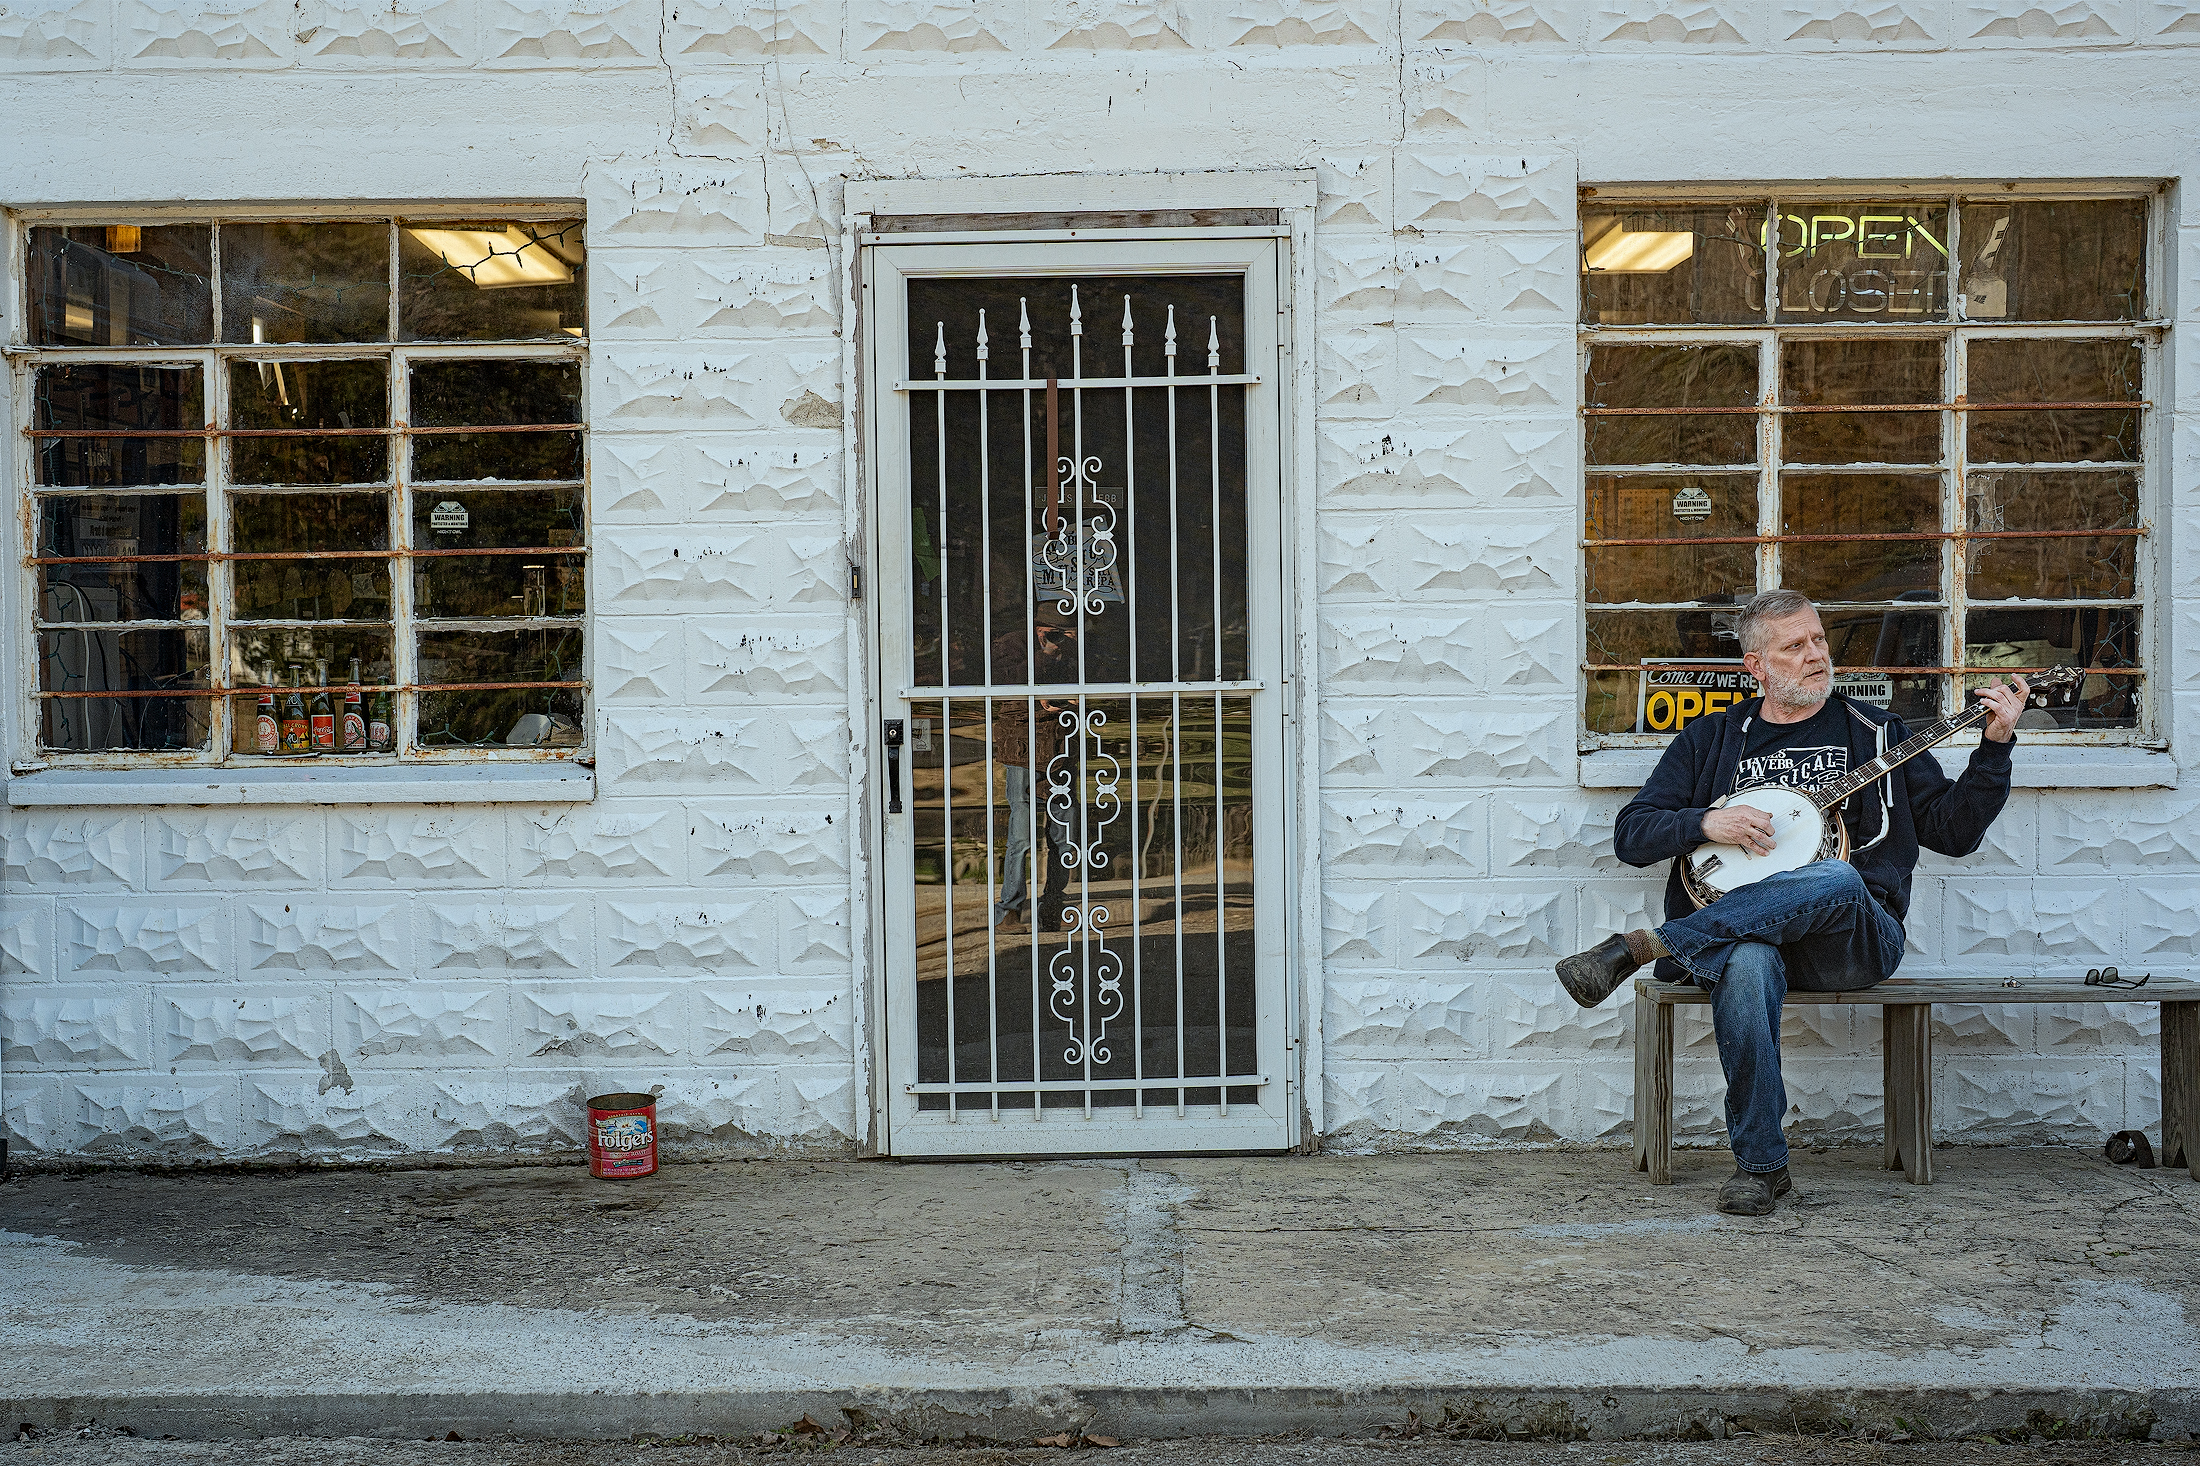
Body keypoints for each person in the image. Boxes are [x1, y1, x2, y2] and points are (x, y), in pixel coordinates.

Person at [1553, 589, 2031, 1216]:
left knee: (1839, 878)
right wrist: (1706, 823)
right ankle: (1762, 1168)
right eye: (1794, 646)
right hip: (1746, 940)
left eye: (1819, 639)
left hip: (1852, 938)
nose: (1816, 655)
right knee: (1748, 962)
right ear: (1755, 665)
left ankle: (1652, 945)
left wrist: (1994, 747)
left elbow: (1954, 833)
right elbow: (1632, 835)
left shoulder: (1878, 734)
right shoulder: (1713, 739)